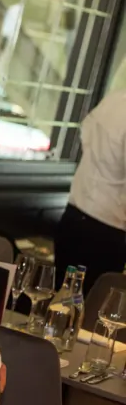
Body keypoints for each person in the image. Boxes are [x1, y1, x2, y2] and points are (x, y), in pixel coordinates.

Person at [54, 88, 126, 295]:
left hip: (73, 218)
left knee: (62, 299)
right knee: (88, 312)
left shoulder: (112, 99)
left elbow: (84, 136)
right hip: (106, 231)